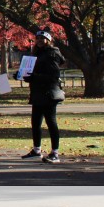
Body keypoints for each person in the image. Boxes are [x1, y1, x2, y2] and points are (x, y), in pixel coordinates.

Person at [22, 30, 66, 163]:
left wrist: (34, 77)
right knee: (35, 122)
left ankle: (55, 153)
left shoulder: (52, 53)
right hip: (37, 92)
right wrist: (24, 76)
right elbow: (34, 73)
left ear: (48, 40)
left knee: (51, 122)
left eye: (43, 38)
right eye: (38, 38)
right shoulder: (37, 53)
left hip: (49, 93)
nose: (40, 40)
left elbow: (53, 76)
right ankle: (37, 150)